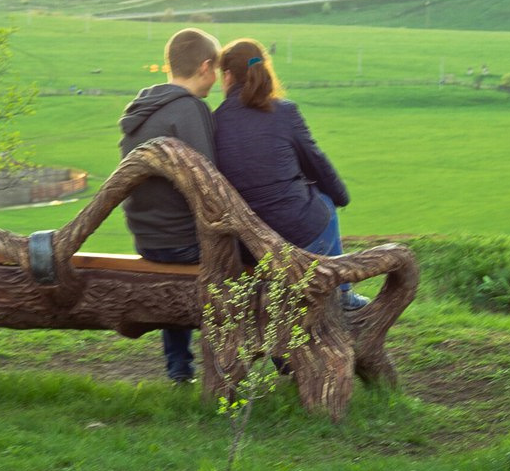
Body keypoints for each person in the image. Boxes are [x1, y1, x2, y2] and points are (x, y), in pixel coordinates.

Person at [212, 38, 370, 310]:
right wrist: (341, 196)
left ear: (226, 76)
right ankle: (343, 294)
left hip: (247, 248)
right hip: (299, 236)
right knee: (326, 205)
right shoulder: (284, 112)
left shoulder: (213, 122)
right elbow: (316, 162)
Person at [118, 27, 220, 381]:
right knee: (253, 256)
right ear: (206, 67)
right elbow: (210, 184)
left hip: (147, 240)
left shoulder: (141, 111)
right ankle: (278, 358)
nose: (217, 80)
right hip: (183, 243)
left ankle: (179, 369)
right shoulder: (190, 110)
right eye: (216, 71)